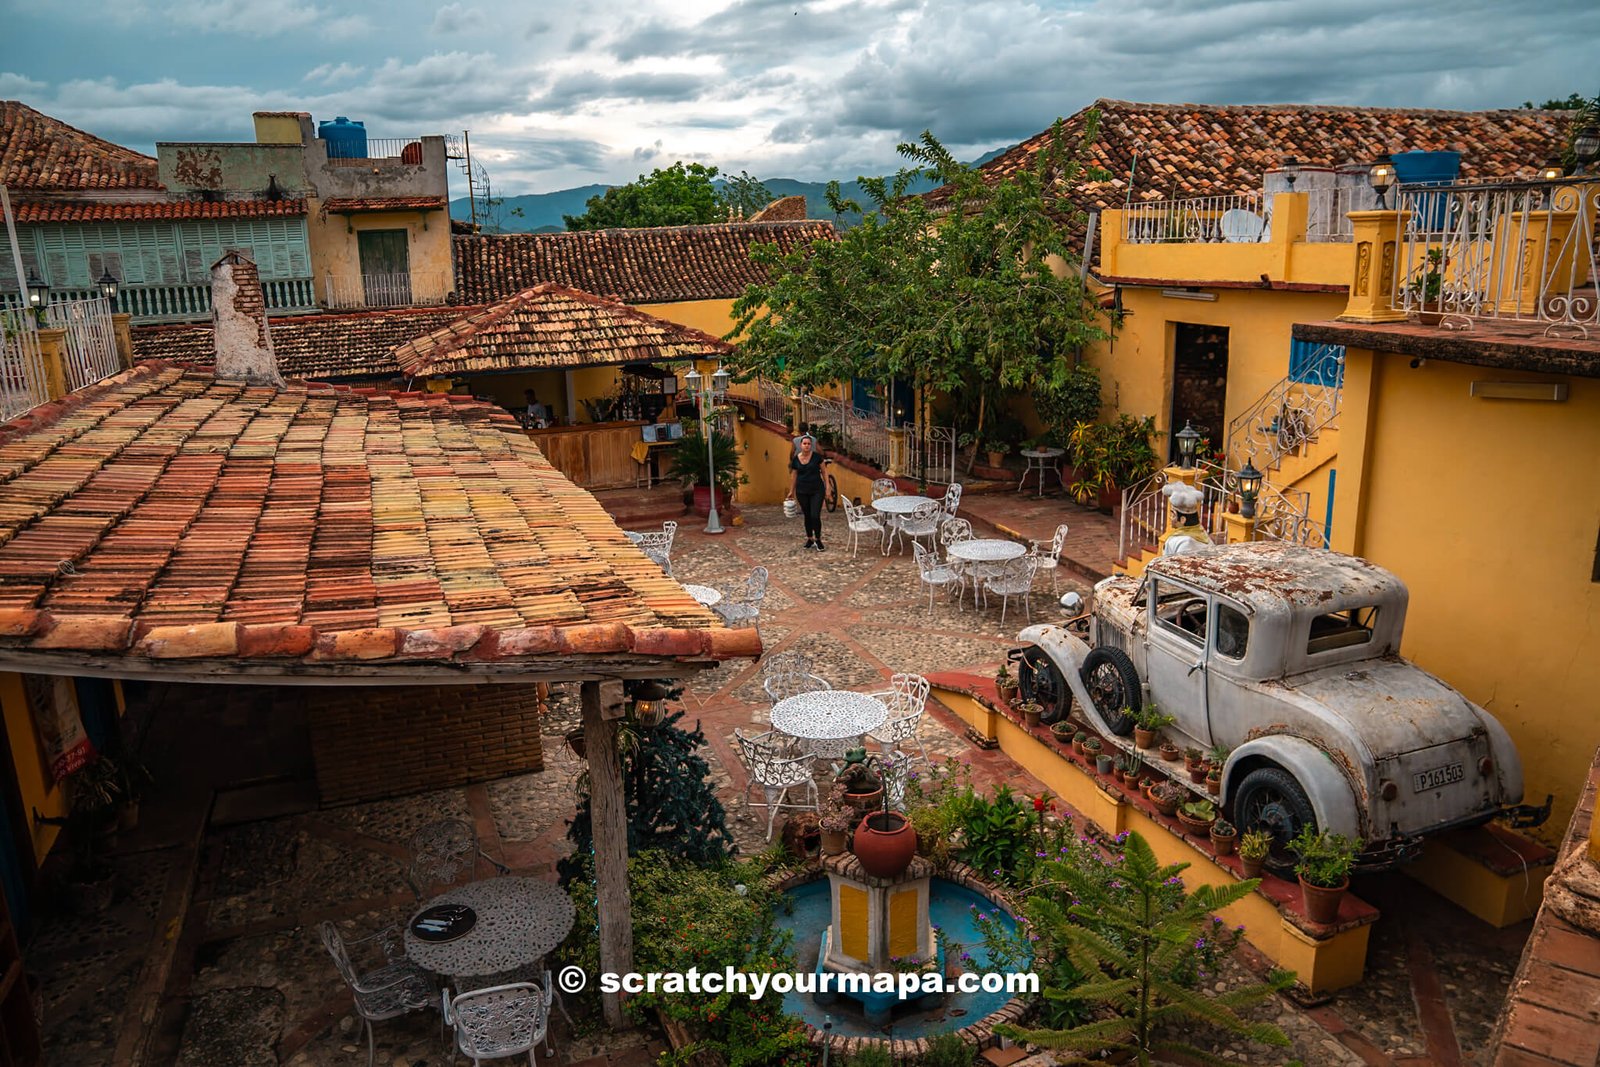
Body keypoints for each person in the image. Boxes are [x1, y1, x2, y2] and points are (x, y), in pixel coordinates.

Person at [788, 434, 827, 550]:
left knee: (815, 515)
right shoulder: (796, 460)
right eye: (804, 444)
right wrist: (791, 491)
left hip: (817, 490)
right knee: (807, 516)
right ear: (800, 445)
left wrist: (828, 487)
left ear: (811, 445)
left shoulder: (817, 457)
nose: (807, 446)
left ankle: (818, 539)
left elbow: (824, 472)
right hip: (802, 491)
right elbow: (794, 476)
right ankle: (810, 538)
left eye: (809, 444)